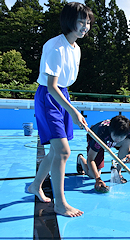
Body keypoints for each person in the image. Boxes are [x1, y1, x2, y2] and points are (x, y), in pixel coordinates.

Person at [27, 2, 94, 217]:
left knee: (56, 151)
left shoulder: (77, 48)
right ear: (69, 22)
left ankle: (35, 186)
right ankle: (60, 204)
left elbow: (63, 84)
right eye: (81, 21)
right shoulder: (55, 47)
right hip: (49, 96)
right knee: (64, 151)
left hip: (62, 94)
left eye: (88, 22)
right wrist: (74, 111)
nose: (85, 26)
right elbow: (51, 86)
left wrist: (70, 106)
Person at [77, 115, 130, 190]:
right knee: (92, 175)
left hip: (109, 139)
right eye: (116, 136)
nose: (118, 139)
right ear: (110, 131)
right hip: (98, 139)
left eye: (121, 137)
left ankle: (118, 172)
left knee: (127, 142)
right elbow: (90, 159)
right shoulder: (100, 135)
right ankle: (80, 158)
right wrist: (97, 179)